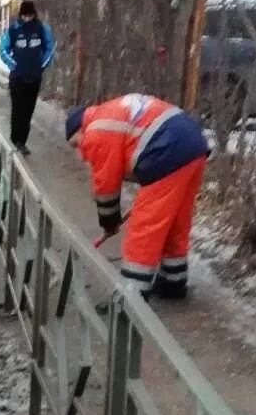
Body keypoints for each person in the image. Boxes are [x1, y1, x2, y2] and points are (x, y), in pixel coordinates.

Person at [65, 95, 210, 300]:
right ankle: (173, 282)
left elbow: (106, 188)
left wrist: (109, 222)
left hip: (167, 152)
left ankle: (132, 296)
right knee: (176, 222)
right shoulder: (109, 113)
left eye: (75, 144)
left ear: (80, 129)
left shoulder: (97, 131)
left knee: (144, 228)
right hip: (193, 146)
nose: (80, 152)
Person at [0, 1, 55, 155]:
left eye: (29, 15)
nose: (27, 18)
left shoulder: (42, 29)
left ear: (34, 14)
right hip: (17, 78)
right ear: (21, 15)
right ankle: (15, 137)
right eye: (24, 15)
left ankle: (22, 142)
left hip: (34, 78)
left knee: (28, 111)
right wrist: (13, 65)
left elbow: (50, 48)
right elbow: (3, 49)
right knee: (18, 109)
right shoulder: (13, 30)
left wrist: (41, 65)